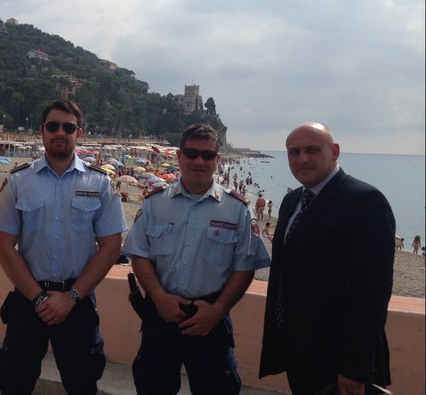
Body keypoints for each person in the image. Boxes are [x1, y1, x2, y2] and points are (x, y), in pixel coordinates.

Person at [0, 99, 127, 394]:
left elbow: (111, 247)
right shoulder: (18, 182)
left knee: (82, 384)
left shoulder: (100, 183)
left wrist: (72, 296)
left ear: (80, 132)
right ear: (42, 131)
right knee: (14, 382)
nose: (60, 132)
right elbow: (2, 246)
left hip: (78, 301)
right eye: (53, 126)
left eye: (68, 127)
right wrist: (38, 297)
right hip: (27, 300)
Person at [123, 123, 270, 394]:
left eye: (208, 155)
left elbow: (245, 267)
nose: (199, 161)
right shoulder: (154, 203)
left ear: (218, 159)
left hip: (211, 319)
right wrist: (157, 296)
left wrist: (218, 310)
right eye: (191, 153)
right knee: (152, 386)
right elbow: (139, 254)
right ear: (179, 157)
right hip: (161, 314)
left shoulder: (237, 210)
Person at [259, 122, 395, 395]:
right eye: (293, 152)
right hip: (298, 350)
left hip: (340, 360)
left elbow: (371, 296)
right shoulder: (292, 201)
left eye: (312, 150)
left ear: (334, 152)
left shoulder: (364, 201)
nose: (302, 158)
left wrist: (354, 369)